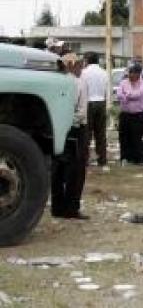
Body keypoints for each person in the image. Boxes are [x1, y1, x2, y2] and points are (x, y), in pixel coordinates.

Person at [52, 53, 90, 219]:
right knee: (76, 171)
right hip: (75, 129)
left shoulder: (55, 81)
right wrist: (70, 120)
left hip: (57, 129)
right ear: (72, 65)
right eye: (79, 64)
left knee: (58, 169)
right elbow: (81, 112)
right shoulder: (78, 83)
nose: (81, 68)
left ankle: (57, 207)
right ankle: (71, 208)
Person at [116, 63, 143, 165]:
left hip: (138, 114)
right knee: (124, 136)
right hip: (125, 113)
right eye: (129, 72)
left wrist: (128, 94)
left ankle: (138, 158)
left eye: (133, 73)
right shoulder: (123, 82)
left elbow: (140, 94)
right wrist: (129, 95)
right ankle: (125, 157)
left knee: (137, 137)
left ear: (138, 74)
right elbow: (119, 95)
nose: (130, 75)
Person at [80, 52, 109, 166]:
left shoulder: (84, 72)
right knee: (100, 132)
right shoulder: (104, 72)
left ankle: (85, 159)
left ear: (87, 60)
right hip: (101, 102)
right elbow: (106, 89)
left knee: (87, 133)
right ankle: (102, 158)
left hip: (89, 102)